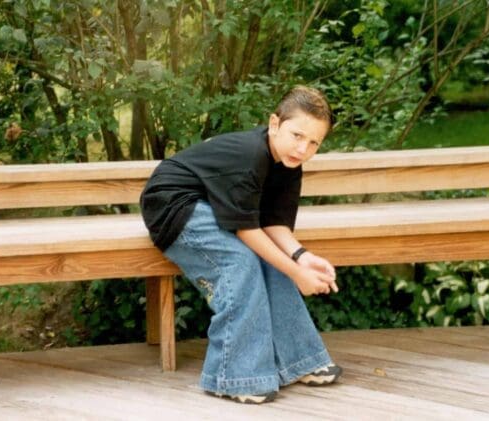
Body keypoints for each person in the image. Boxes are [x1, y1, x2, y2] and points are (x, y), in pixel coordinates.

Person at [140, 86, 342, 404]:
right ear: (274, 124)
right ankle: (235, 376)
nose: (303, 148)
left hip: (213, 207)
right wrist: (297, 274)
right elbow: (247, 231)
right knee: (240, 262)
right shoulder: (251, 156)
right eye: (297, 135)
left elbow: (273, 223)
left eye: (314, 142)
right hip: (173, 205)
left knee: (275, 260)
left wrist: (302, 257)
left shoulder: (289, 163)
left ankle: (301, 360)